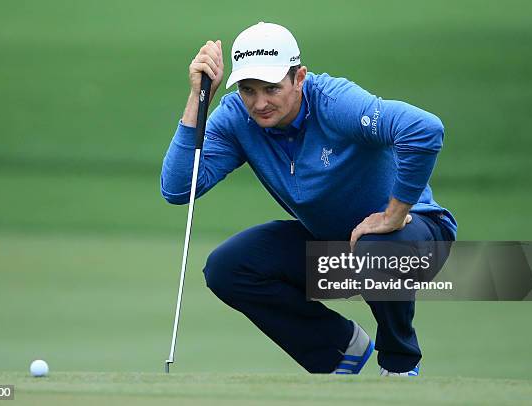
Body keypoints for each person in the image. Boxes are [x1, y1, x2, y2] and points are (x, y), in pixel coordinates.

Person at [161, 22, 457, 376]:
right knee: (229, 267)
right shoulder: (237, 118)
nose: (260, 103)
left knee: (376, 247)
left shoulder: (334, 102)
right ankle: (339, 349)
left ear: (299, 77)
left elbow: (424, 129)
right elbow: (178, 188)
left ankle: (399, 364)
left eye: (271, 88)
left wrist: (394, 214)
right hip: (338, 252)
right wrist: (199, 97)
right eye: (248, 90)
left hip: (416, 240)